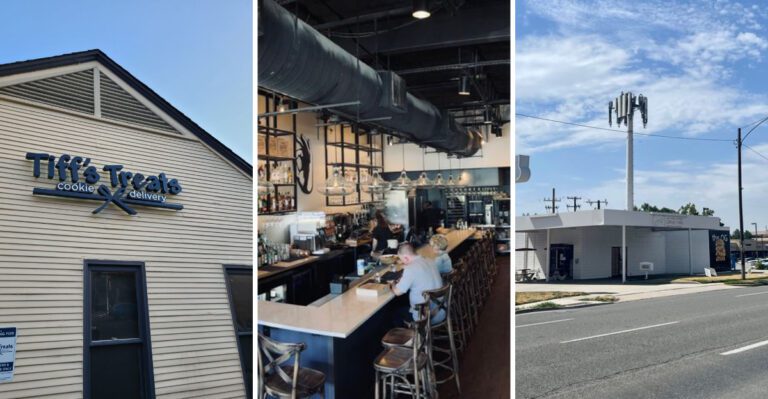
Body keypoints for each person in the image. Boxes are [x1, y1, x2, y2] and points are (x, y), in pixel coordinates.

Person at [390, 243, 445, 323]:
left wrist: (392, 282)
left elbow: (397, 292)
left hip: (425, 319)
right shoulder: (430, 260)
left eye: (402, 260)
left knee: (393, 313)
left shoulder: (410, 269)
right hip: (441, 312)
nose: (402, 263)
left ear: (406, 258)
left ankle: (415, 331)